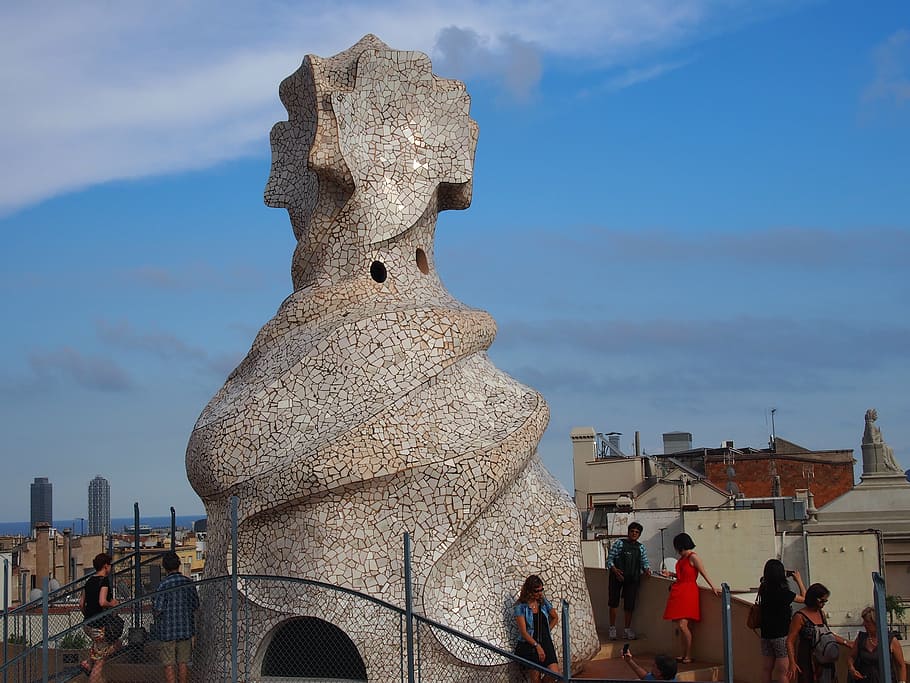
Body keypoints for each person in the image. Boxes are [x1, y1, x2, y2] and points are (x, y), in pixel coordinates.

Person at [661, 532, 719, 664]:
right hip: (680, 590)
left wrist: (713, 587)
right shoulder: (682, 559)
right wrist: (670, 574)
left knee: (683, 625)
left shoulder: (693, 557)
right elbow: (682, 575)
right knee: (682, 626)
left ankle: (688, 654)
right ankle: (683, 654)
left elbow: (704, 573)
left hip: (688, 592)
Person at [786, 583, 852, 683]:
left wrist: (846, 642)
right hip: (808, 659)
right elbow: (790, 640)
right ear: (814, 599)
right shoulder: (800, 617)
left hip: (824, 658)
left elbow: (827, 634)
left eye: (825, 601)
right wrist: (792, 662)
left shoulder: (821, 613)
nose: (823, 604)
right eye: (822, 601)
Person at [153, 551, 200, 683]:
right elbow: (195, 605)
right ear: (179, 565)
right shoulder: (188, 583)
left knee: (169, 664)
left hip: (167, 631)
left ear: (165, 567)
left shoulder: (163, 585)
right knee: (183, 662)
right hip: (185, 629)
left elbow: (158, 609)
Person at [756, 560, 806, 683]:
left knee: (766, 669)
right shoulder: (784, 593)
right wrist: (798, 580)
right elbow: (805, 599)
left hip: (766, 634)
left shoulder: (763, 589)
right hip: (781, 635)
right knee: (783, 671)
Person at [606, 522, 652, 640]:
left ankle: (627, 630)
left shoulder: (640, 547)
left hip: (632, 579)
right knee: (613, 603)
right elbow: (610, 559)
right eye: (632, 531)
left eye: (637, 532)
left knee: (629, 605)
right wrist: (615, 572)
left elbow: (644, 562)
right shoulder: (619, 544)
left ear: (639, 534)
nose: (634, 534)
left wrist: (647, 570)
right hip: (617, 577)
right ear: (628, 532)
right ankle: (612, 628)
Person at [79, 552, 120, 681]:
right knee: (101, 660)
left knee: (103, 648)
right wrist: (112, 603)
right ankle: (93, 675)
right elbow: (102, 601)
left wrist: (88, 614)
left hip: (88, 624)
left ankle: (87, 662)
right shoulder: (104, 581)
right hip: (99, 626)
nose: (111, 567)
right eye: (110, 565)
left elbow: (81, 603)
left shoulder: (89, 581)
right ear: (105, 566)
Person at [514, 575, 560, 682]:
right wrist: (537, 646)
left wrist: (547, 630)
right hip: (530, 644)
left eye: (541, 590)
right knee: (535, 678)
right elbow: (524, 632)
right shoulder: (521, 607)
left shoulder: (543, 602)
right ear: (529, 591)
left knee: (555, 673)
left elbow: (555, 617)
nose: (540, 593)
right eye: (537, 591)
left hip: (545, 641)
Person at [847, 605, 907, 683]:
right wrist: (852, 669)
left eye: (867, 622)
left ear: (876, 622)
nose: (864, 624)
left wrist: (902, 681)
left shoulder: (890, 640)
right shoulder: (861, 638)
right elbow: (851, 657)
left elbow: (901, 665)